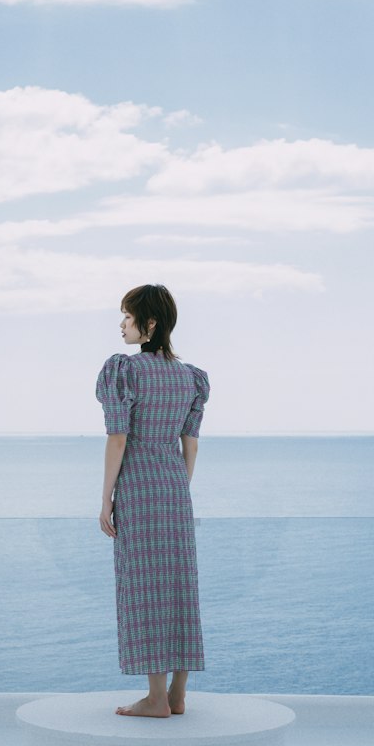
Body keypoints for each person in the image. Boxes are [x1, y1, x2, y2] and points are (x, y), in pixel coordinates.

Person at [96, 283, 210, 717]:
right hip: (176, 489)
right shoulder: (192, 378)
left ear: (149, 324)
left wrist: (106, 498)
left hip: (140, 488)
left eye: (127, 318)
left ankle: (156, 697)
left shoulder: (124, 371)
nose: (121, 326)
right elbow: (191, 446)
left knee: (144, 588)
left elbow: (118, 438)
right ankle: (179, 695)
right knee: (181, 585)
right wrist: (179, 487)